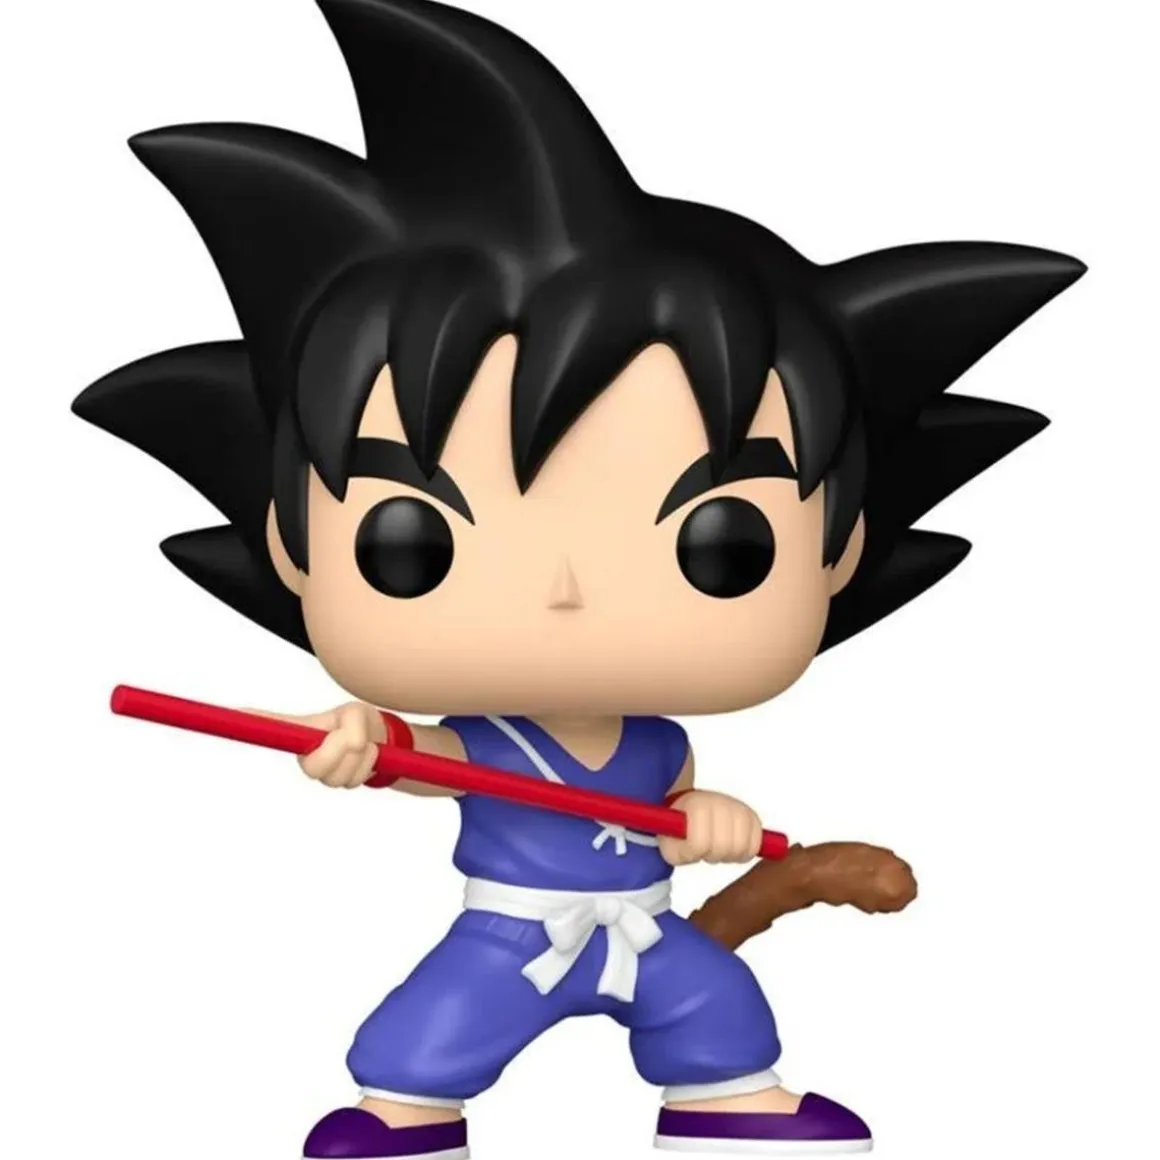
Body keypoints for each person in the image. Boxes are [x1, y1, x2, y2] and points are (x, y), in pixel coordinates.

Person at [73, 1, 1084, 1154]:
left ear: (838, 548)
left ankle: (725, 1105)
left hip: (647, 933)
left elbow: (675, 805)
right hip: (513, 939)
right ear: (294, 543)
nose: (562, 587)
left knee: (721, 1016)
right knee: (427, 1039)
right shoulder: (491, 740)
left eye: (722, 545)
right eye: (411, 541)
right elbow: (413, 757)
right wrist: (356, 737)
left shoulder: (653, 739)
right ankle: (402, 1116)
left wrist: (701, 817)